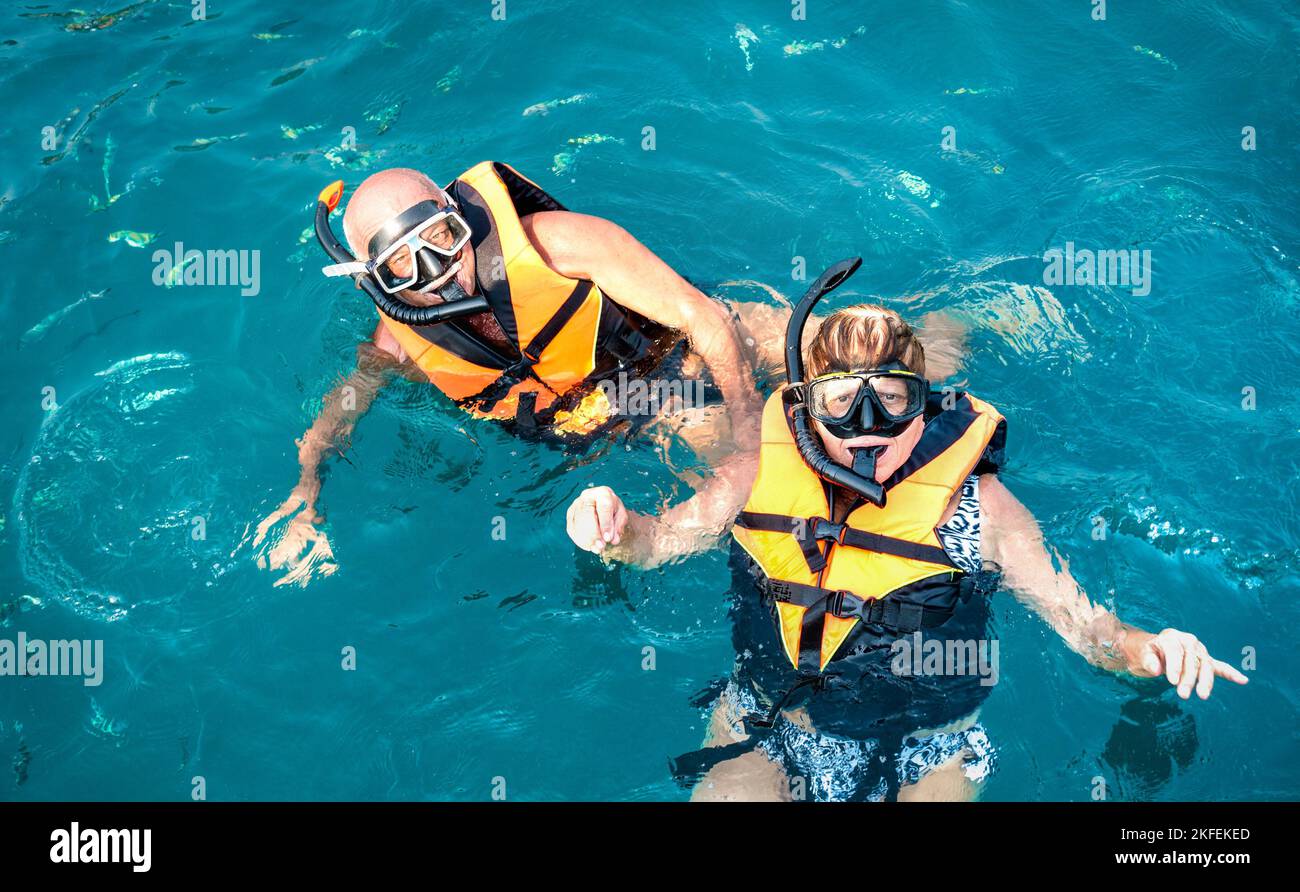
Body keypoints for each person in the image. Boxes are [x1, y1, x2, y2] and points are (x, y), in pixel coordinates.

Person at [565, 259, 1247, 801]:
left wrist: (1150, 649)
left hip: (928, 749)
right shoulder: (754, 475)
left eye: (892, 401)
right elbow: (654, 545)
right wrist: (610, 524)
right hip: (768, 727)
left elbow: (1083, 626)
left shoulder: (982, 511)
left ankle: (962, 321)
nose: (868, 430)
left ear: (925, 411)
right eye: (841, 405)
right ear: (807, 410)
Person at [254, 161, 763, 586]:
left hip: (669, 352)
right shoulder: (400, 350)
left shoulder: (555, 246)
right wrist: (306, 494)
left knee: (829, 344)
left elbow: (701, 315)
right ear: (378, 282)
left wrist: (748, 424)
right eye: (402, 266)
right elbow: (336, 415)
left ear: (459, 218)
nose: (438, 272)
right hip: (623, 420)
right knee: (755, 490)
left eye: (441, 238)